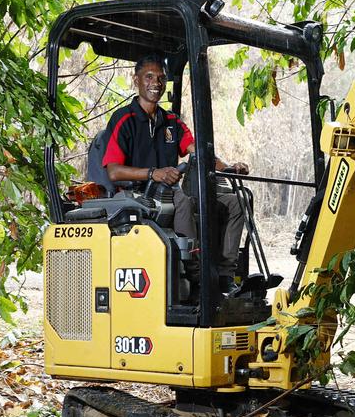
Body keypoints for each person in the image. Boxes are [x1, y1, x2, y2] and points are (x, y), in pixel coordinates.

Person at [102, 54, 249, 294]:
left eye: (161, 78)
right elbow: (114, 172)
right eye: (149, 77)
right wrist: (153, 173)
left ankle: (224, 275)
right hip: (135, 195)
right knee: (181, 201)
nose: (156, 83)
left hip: (168, 191)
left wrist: (230, 167)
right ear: (136, 80)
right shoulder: (123, 120)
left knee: (235, 202)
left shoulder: (170, 121)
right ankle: (198, 278)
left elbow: (198, 152)